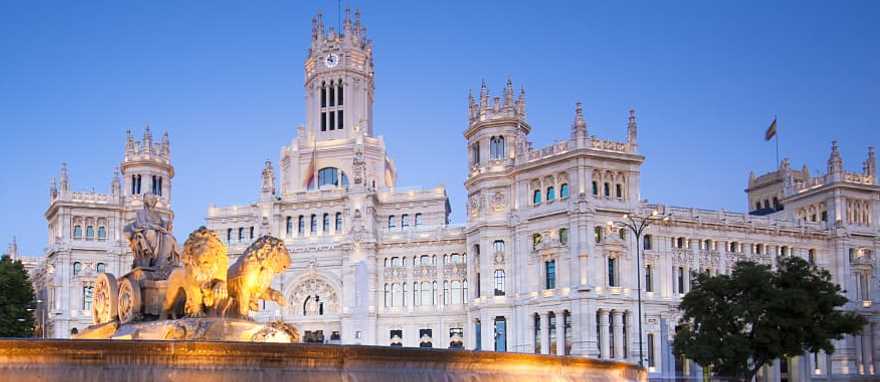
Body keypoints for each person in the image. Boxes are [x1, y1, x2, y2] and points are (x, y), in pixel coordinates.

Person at [124, 193, 180, 270]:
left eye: (153, 199)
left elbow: (163, 224)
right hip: (145, 232)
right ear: (146, 201)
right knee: (151, 233)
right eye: (150, 199)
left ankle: (162, 261)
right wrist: (155, 227)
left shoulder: (157, 215)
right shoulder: (141, 213)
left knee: (169, 238)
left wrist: (167, 225)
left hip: (159, 233)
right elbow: (141, 224)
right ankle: (152, 259)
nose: (152, 201)